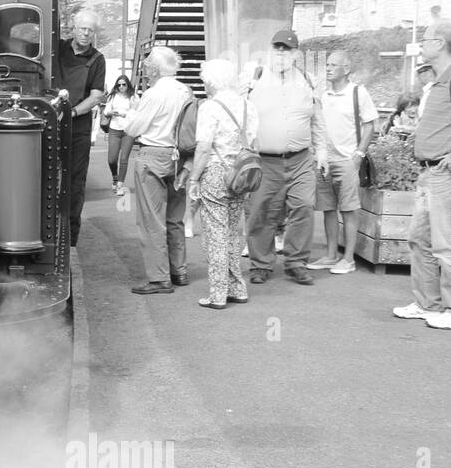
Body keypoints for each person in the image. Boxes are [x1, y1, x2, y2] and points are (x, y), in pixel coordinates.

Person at [392, 19, 451, 330]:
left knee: (448, 242)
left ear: (440, 43)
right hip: (431, 172)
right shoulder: (443, 79)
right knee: (421, 239)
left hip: (446, 172)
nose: (422, 44)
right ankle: (428, 303)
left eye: (425, 39)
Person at [245, 29, 326, 286]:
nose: (281, 53)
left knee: (303, 206)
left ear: (296, 54)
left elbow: (318, 120)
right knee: (262, 211)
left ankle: (296, 263)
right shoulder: (254, 77)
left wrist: (322, 151)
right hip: (265, 160)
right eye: (277, 48)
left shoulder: (307, 80)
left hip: (300, 159)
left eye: (287, 49)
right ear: (270, 50)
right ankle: (260, 264)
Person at [188, 59, 257, 308]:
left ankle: (218, 293)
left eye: (204, 79)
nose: (203, 83)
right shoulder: (248, 106)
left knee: (215, 234)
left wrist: (194, 179)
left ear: (212, 81)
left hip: (216, 172)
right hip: (241, 173)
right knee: (231, 232)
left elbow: (204, 147)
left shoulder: (210, 107)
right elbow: (253, 142)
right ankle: (237, 287)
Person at [125, 46, 193, 294]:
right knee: (175, 218)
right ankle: (179, 271)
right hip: (179, 156)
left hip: (153, 154)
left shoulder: (154, 94)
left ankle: (159, 278)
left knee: (151, 220)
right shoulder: (186, 91)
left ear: (153, 69)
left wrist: (132, 111)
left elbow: (133, 129)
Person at [308, 50, 377, 274]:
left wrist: (359, 154)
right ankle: (330, 255)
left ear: (346, 69)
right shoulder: (323, 94)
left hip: (347, 159)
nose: (328, 68)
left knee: (349, 210)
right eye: (327, 65)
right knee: (327, 209)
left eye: (333, 65)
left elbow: (370, 125)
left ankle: (348, 259)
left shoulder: (358, 93)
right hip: (324, 160)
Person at [58, 9, 106, 246]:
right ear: (74, 29)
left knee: (75, 180)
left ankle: (70, 236)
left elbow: (97, 96)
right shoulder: (58, 49)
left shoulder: (97, 59)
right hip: (51, 121)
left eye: (91, 30)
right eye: (83, 29)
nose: (86, 33)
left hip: (78, 125)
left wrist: (73, 112)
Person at [103, 74, 137, 195]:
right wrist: (111, 112)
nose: (121, 86)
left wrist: (124, 114)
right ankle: (115, 177)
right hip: (114, 129)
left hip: (128, 130)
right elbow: (106, 111)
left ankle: (120, 185)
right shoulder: (112, 97)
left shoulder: (133, 97)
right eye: (119, 84)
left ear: (128, 85)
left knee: (124, 158)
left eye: (124, 84)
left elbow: (138, 113)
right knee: (112, 159)